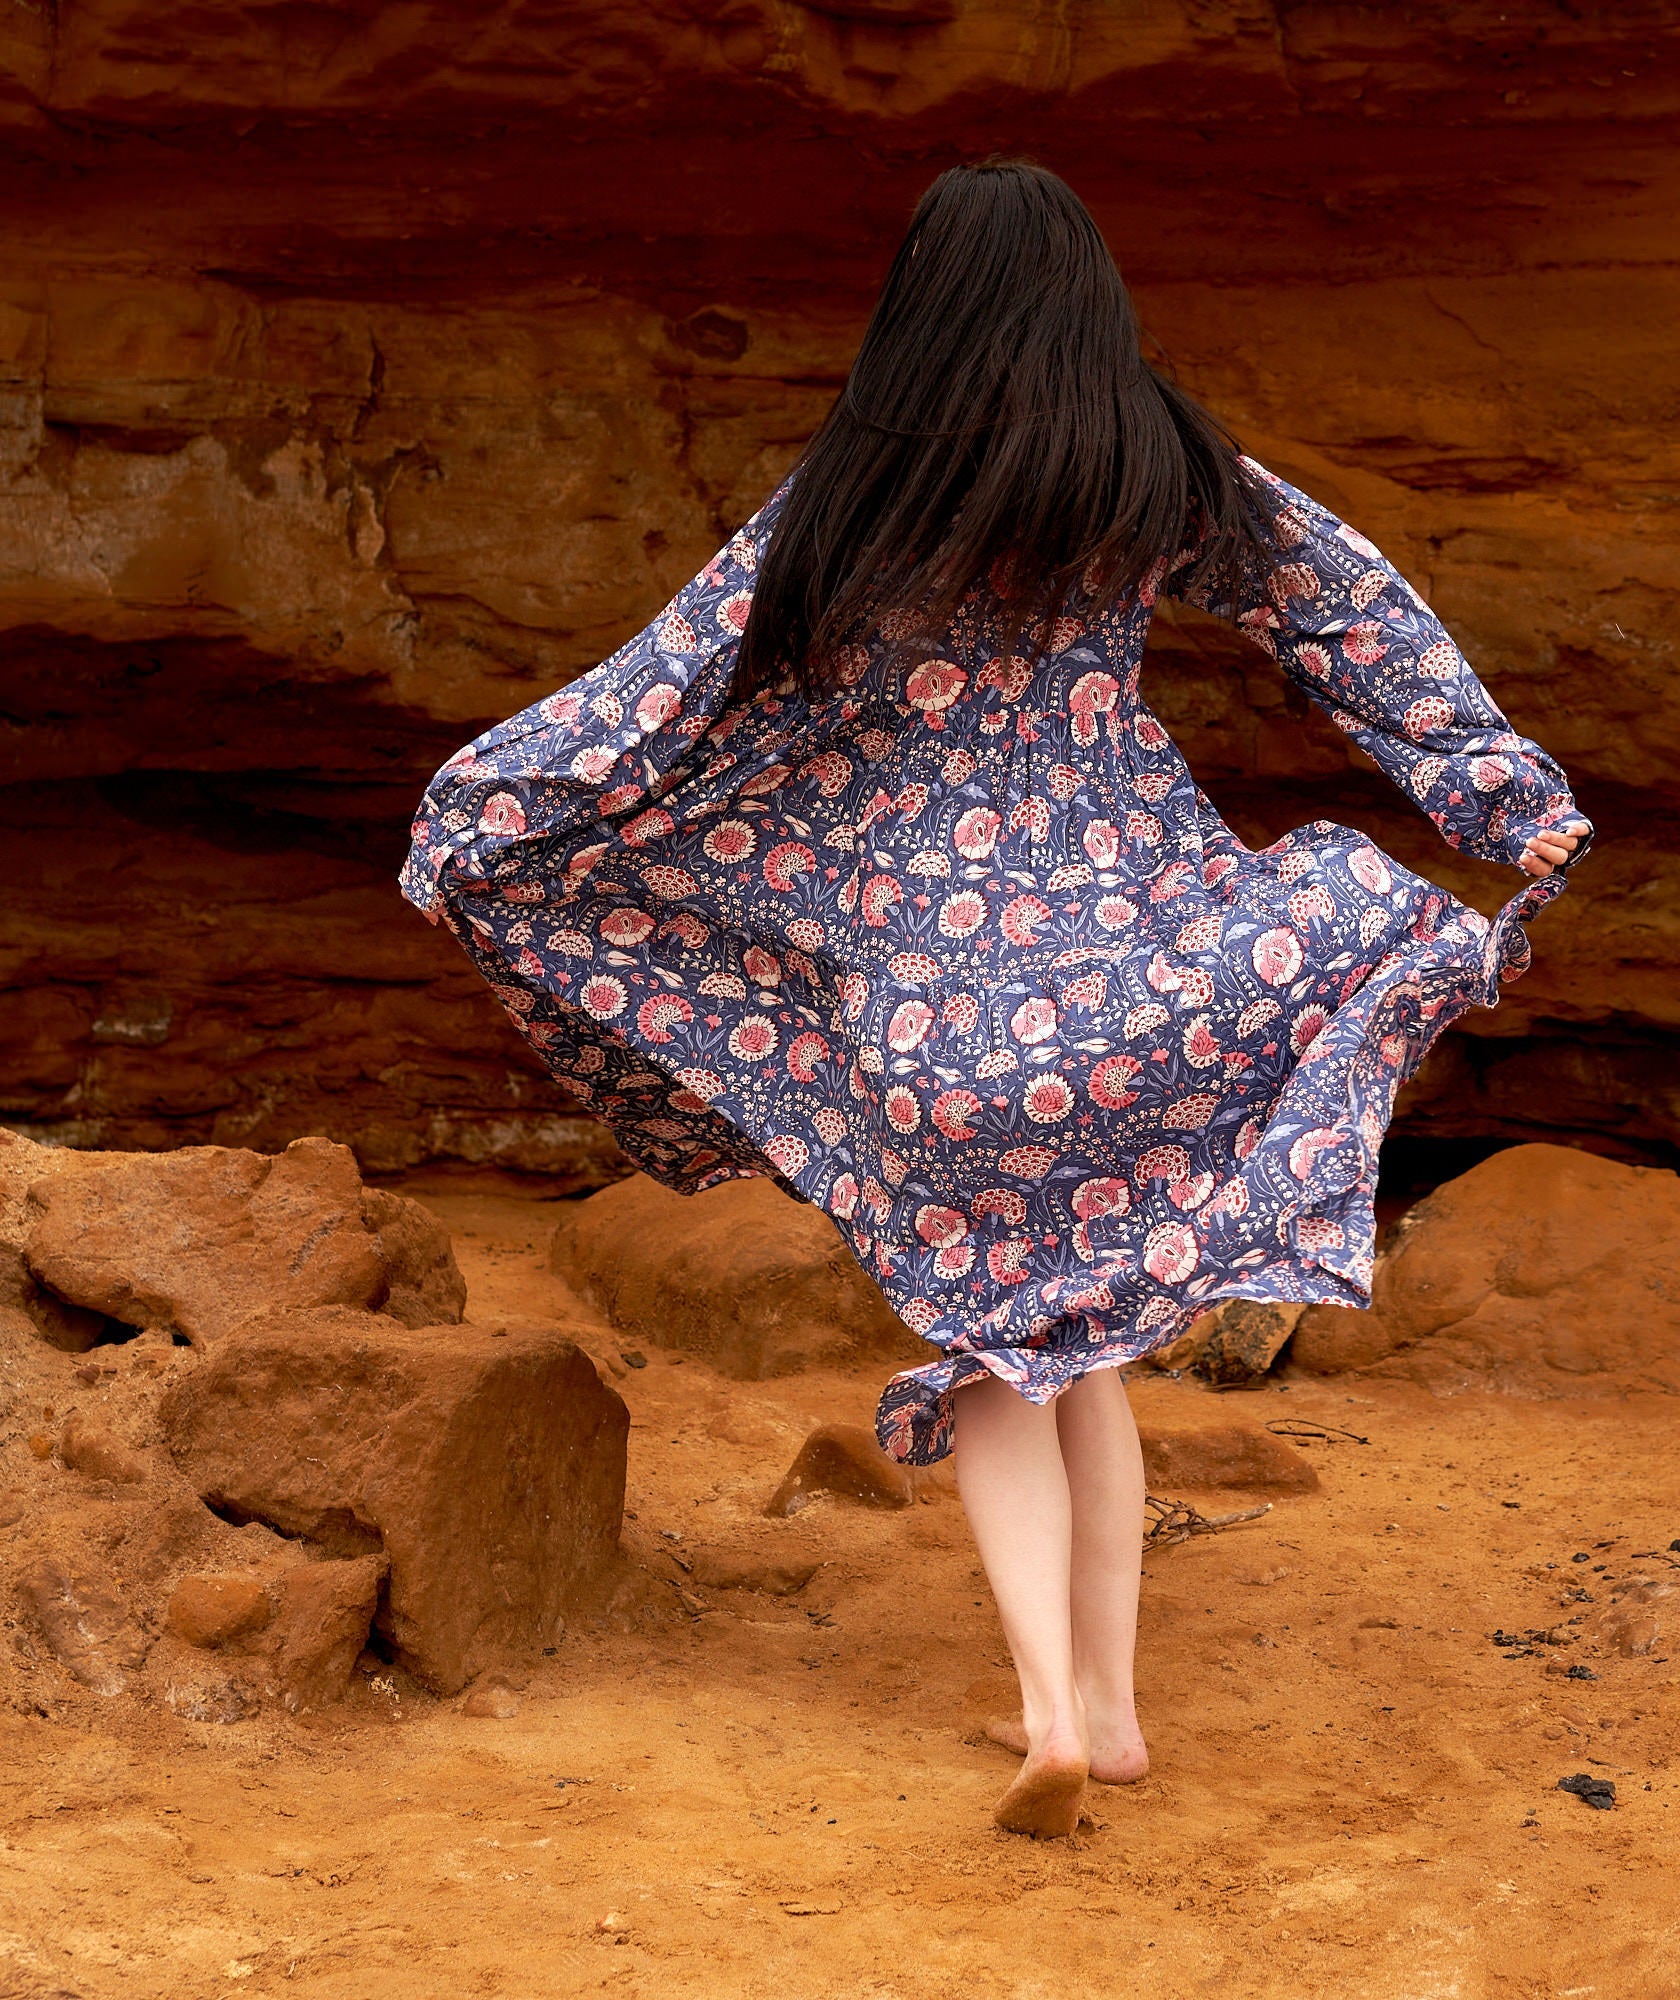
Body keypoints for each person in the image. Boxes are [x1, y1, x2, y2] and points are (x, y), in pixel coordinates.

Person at [401, 158, 1591, 1839]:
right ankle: (1104, 1709)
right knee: (1077, 1344)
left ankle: (1051, 1708)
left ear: (920, 305)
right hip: (1141, 965)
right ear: (1090, 297)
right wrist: (1504, 803)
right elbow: (1354, 618)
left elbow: (651, 696)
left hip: (929, 1012)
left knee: (999, 1347)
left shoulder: (846, 497)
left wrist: (483, 811)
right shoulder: (1153, 467)